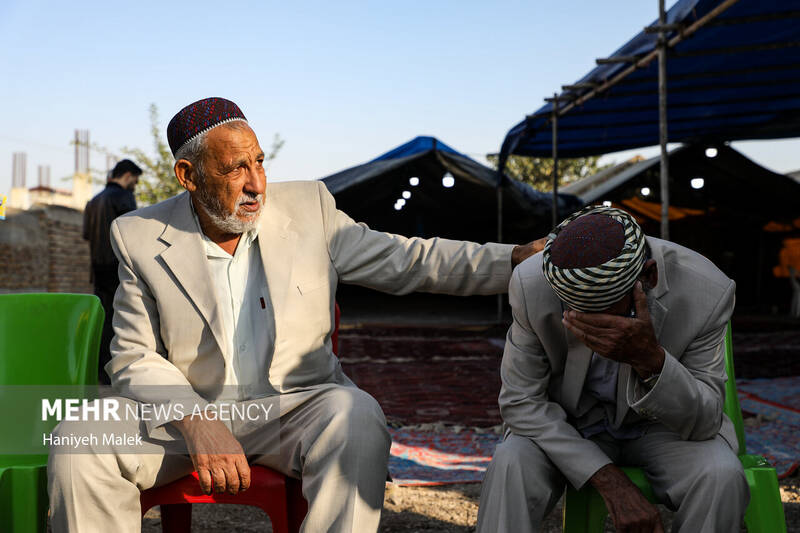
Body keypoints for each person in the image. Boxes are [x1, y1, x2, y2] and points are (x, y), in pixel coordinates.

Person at [48, 97, 544, 533]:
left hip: (291, 411)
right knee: (80, 436)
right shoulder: (138, 234)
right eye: (235, 169)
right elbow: (133, 356)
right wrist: (195, 419)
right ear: (188, 176)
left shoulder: (310, 209)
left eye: (259, 162)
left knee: (356, 416)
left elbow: (409, 260)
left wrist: (513, 259)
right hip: (187, 418)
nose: (256, 184)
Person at [477, 205, 749, 533]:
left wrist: (651, 360)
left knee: (721, 475)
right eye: (577, 312)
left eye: (603, 311)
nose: (591, 325)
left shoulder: (706, 290)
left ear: (648, 277)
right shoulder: (532, 282)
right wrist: (610, 481)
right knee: (511, 462)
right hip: (569, 424)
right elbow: (521, 404)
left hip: (662, 427)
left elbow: (705, 421)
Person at [82, 159, 141, 384]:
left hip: (97, 268)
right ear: (127, 176)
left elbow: (86, 235)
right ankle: (114, 371)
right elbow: (133, 233)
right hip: (118, 268)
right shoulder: (123, 196)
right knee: (122, 320)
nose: (135, 185)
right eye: (135, 180)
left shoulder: (93, 201)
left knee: (102, 318)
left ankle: (98, 370)